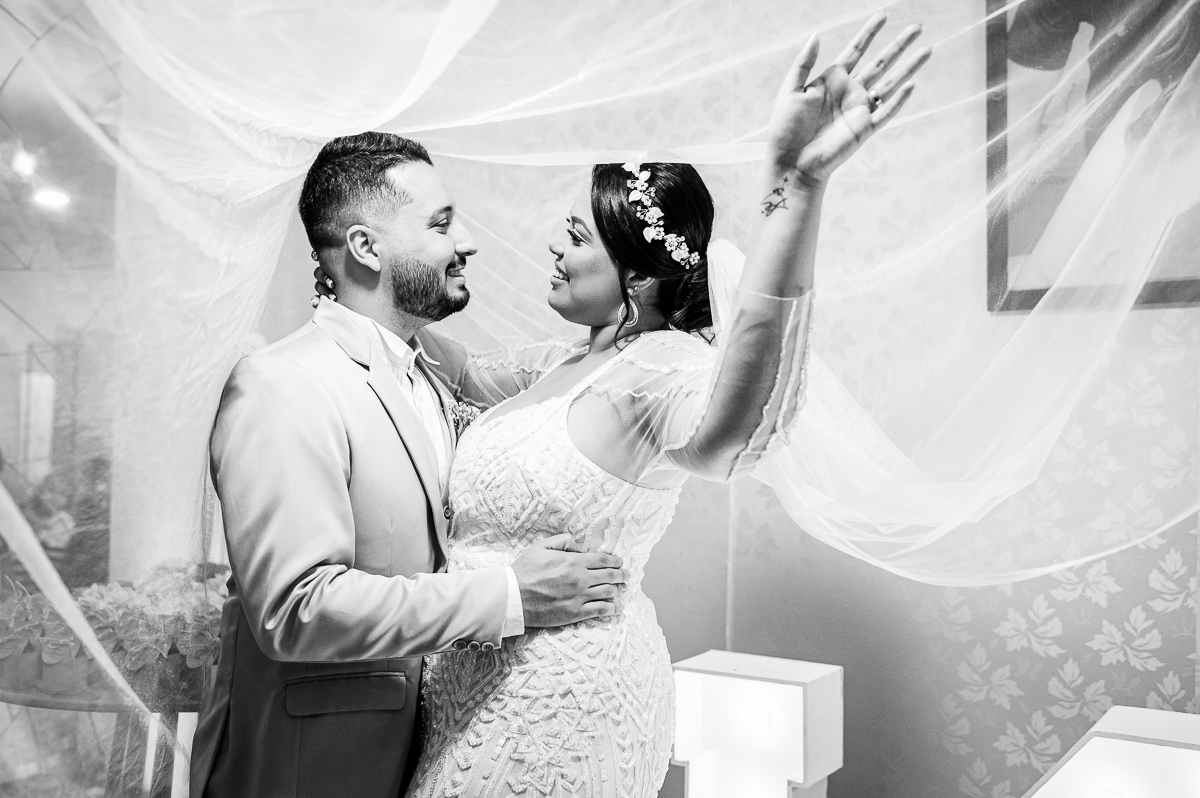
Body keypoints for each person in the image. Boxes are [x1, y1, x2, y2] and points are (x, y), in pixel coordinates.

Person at [314, 15, 929, 798]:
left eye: (576, 235)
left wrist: (796, 191)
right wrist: (354, 267)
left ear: (636, 276)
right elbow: (447, 364)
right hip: (466, 698)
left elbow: (737, 433)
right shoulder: (562, 364)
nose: (554, 246)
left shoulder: (660, 371)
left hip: (567, 705)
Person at [190, 136, 629, 798]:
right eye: (441, 223)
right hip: (314, 765)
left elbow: (566, 370)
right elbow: (296, 608)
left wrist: (649, 304)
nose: (467, 242)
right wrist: (510, 595)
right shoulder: (282, 385)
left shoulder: (434, 363)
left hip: (438, 750)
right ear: (366, 248)